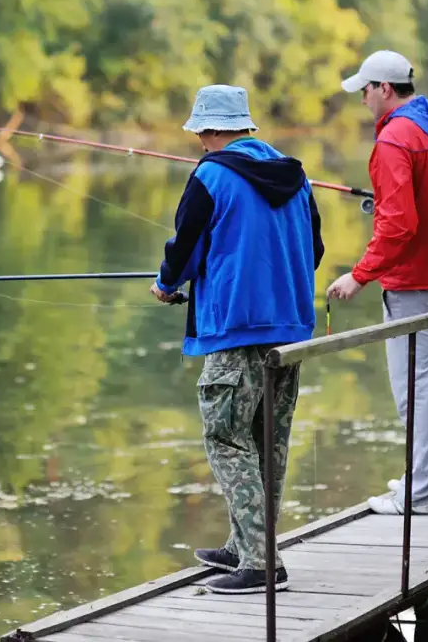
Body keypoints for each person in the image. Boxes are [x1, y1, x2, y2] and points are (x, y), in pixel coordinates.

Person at [150, 84, 324, 594]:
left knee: (226, 437)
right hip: (290, 329)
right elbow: (314, 250)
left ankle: (261, 563)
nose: (199, 141)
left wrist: (165, 285)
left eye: (199, 133)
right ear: (245, 126)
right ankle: (244, 544)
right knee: (267, 442)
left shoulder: (211, 175)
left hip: (234, 329)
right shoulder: (295, 175)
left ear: (209, 130)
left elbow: (184, 248)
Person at [325, 50, 428, 515]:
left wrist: (359, 275)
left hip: (417, 281)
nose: (362, 100)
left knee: (417, 388)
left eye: (365, 90)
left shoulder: (395, 138)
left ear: (385, 89)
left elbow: (398, 226)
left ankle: (426, 492)